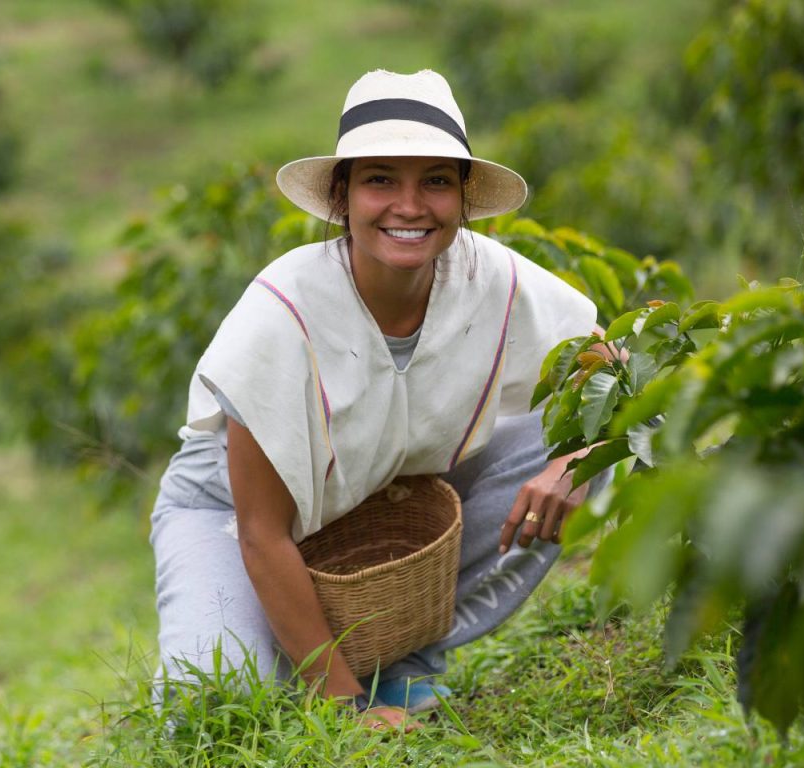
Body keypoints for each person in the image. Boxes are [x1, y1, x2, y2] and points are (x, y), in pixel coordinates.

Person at [150, 69, 607, 730]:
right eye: (381, 178)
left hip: (373, 490)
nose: (410, 206)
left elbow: (609, 371)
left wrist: (575, 463)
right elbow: (261, 533)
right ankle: (345, 680)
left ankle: (400, 661)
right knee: (214, 709)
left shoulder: (490, 279)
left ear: (463, 197)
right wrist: (348, 712)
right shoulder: (284, 313)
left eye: (437, 181)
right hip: (233, 512)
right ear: (342, 195)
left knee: (568, 440)